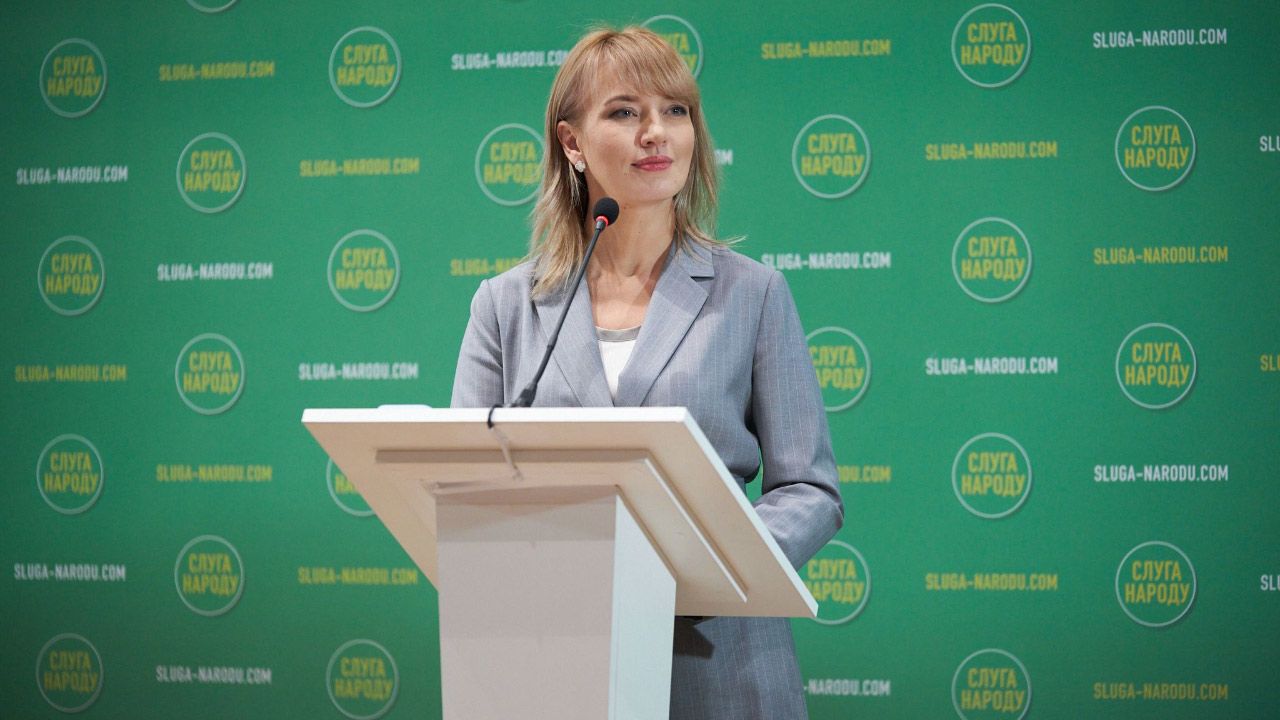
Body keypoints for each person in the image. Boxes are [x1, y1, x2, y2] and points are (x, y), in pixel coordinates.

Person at [451, 25, 843, 720]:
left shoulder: (752, 293)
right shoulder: (505, 305)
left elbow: (808, 489)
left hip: (719, 660)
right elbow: (462, 485)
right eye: (625, 111)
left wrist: (707, 567)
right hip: (552, 658)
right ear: (572, 143)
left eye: (676, 110)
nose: (656, 132)